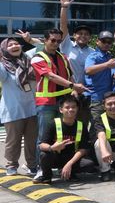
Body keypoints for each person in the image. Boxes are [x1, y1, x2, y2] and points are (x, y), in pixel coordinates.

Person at [31, 28, 87, 172]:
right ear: (45, 40)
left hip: (63, 103)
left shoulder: (63, 57)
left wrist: (74, 90)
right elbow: (51, 76)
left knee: (63, 136)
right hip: (46, 103)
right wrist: (73, 86)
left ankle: (64, 166)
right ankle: (41, 169)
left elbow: (70, 75)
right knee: (43, 138)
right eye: (53, 40)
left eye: (59, 41)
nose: (56, 43)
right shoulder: (38, 58)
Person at [34, 94, 95, 184]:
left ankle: (70, 173)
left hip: (72, 158)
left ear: (77, 109)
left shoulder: (81, 126)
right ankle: (46, 176)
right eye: (67, 107)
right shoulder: (52, 124)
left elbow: (83, 149)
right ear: (61, 110)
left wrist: (69, 163)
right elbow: (42, 145)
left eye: (73, 107)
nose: (70, 109)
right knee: (44, 155)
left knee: (89, 164)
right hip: (55, 157)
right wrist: (52, 148)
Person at [0, 37, 38, 176]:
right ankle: (11, 165)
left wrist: (31, 40)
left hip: (32, 108)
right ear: (4, 49)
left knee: (32, 140)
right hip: (13, 110)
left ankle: (32, 165)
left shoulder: (28, 59)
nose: (14, 46)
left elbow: (42, 47)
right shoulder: (3, 65)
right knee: (13, 141)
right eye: (10, 45)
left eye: (16, 43)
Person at [84, 31, 115, 122]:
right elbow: (88, 70)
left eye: (109, 42)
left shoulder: (109, 56)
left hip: (108, 97)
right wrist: (107, 64)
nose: (106, 44)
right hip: (96, 98)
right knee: (96, 125)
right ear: (97, 41)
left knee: (107, 125)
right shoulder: (93, 56)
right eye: (103, 41)